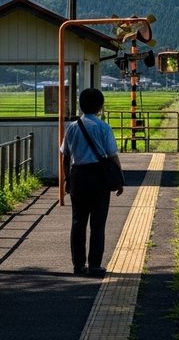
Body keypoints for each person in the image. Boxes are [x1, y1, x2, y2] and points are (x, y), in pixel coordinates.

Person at [59, 88, 124, 277]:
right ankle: (95, 265)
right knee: (98, 223)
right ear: (100, 106)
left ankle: (78, 265)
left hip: (78, 175)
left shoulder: (72, 127)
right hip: (99, 178)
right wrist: (119, 180)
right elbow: (112, 156)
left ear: (80, 105)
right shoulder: (103, 127)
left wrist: (67, 180)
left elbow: (65, 156)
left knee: (78, 222)